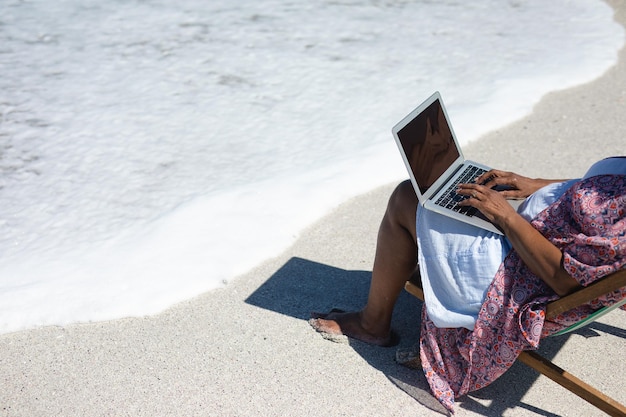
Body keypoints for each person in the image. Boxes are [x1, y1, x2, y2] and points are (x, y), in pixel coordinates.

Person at [310, 156, 626, 413]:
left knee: (409, 197)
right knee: (446, 189)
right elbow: (604, 191)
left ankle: (372, 324)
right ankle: (427, 264)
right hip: (529, 234)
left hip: (524, 273)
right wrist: (532, 185)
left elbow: (564, 281)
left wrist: (505, 217)